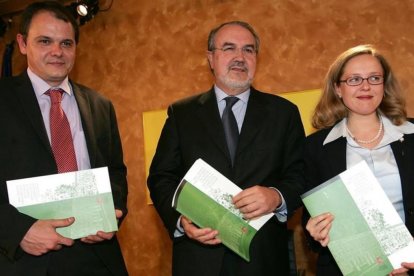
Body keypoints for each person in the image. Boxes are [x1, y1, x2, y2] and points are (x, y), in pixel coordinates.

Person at [147, 20, 305, 276]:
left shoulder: (283, 113)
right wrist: (180, 220)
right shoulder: (182, 114)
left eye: (249, 50)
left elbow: (300, 175)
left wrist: (276, 196)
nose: (240, 57)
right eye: (229, 48)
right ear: (211, 58)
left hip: (263, 259)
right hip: (199, 259)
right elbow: (161, 177)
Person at [0, 1, 128, 275]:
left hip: (98, 258)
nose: (57, 52)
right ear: (22, 44)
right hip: (24, 260)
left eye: (66, 43)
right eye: (45, 41)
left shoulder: (100, 105)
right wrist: (18, 230)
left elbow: (115, 172)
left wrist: (112, 210)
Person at [302, 44, 414, 276]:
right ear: (338, 88)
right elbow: (311, 226)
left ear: (384, 85)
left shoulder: (412, 135)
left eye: (374, 78)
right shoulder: (315, 148)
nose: (365, 86)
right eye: (354, 79)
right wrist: (314, 230)